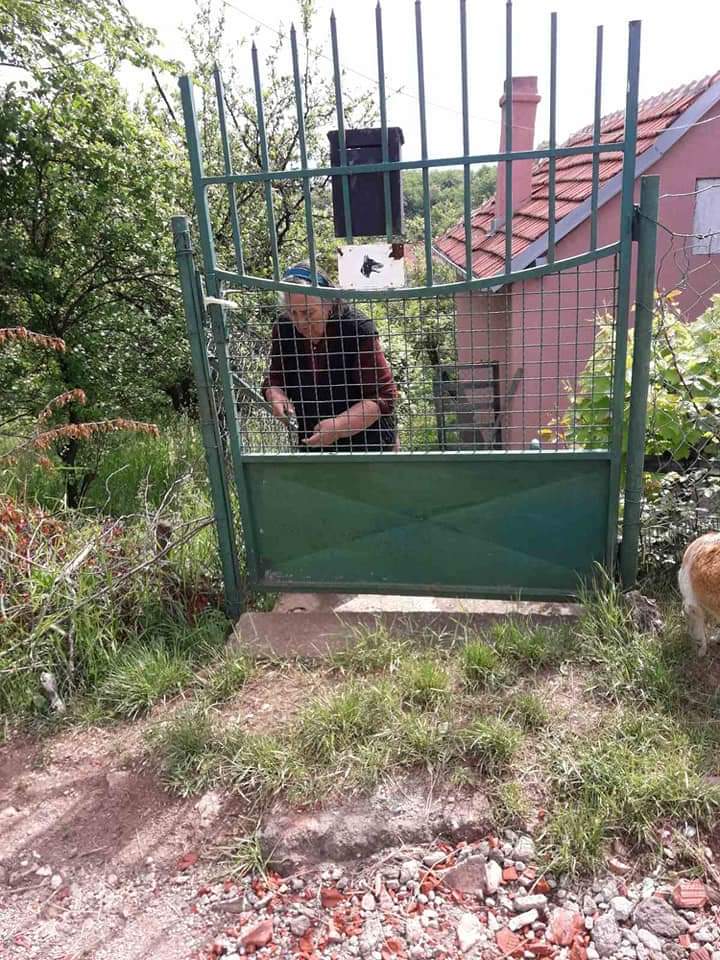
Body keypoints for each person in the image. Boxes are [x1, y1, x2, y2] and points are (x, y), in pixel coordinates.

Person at [262, 263, 398, 451]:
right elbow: (276, 377)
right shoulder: (284, 329)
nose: (300, 323)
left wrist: (339, 426)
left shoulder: (356, 328)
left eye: (308, 313)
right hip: (314, 446)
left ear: (329, 304)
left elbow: (384, 396)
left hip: (370, 448)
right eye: (293, 313)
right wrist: (274, 393)